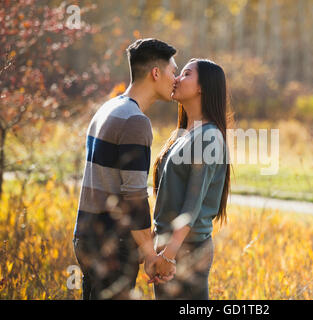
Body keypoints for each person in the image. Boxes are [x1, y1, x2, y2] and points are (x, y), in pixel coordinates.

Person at [73, 38, 178, 299]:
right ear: (156, 73)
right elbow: (134, 196)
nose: (175, 79)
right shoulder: (135, 121)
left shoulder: (108, 108)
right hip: (111, 244)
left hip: (87, 236)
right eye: (173, 71)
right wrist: (150, 253)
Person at [151, 58, 232, 300]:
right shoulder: (184, 134)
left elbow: (192, 205)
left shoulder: (208, 137)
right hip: (170, 246)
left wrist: (169, 254)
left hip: (187, 250)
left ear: (201, 88)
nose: (176, 78)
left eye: (186, 74)